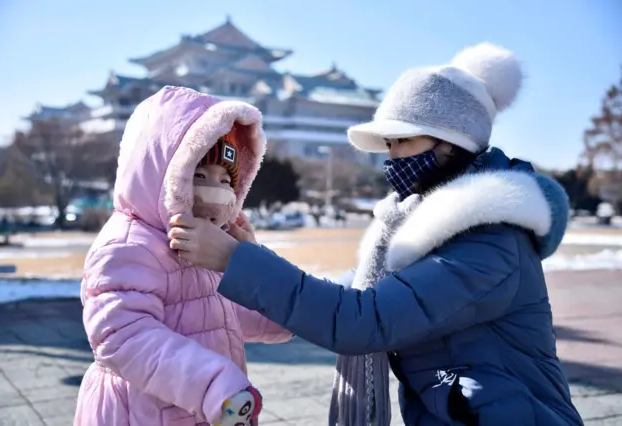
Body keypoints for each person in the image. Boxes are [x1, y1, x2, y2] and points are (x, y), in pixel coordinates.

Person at [169, 44, 584, 425]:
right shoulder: (417, 228)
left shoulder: (488, 239)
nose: (391, 157)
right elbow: (349, 294)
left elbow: (363, 321)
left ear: (452, 142)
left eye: (403, 140)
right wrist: (256, 258)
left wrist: (235, 262)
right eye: (388, 142)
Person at [74, 86, 291, 426]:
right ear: (163, 176)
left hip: (208, 410)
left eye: (225, 180)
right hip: (140, 413)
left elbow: (233, 312)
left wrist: (281, 292)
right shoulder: (127, 245)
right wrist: (214, 385)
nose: (216, 193)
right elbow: (124, 337)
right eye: (199, 176)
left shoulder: (204, 243)